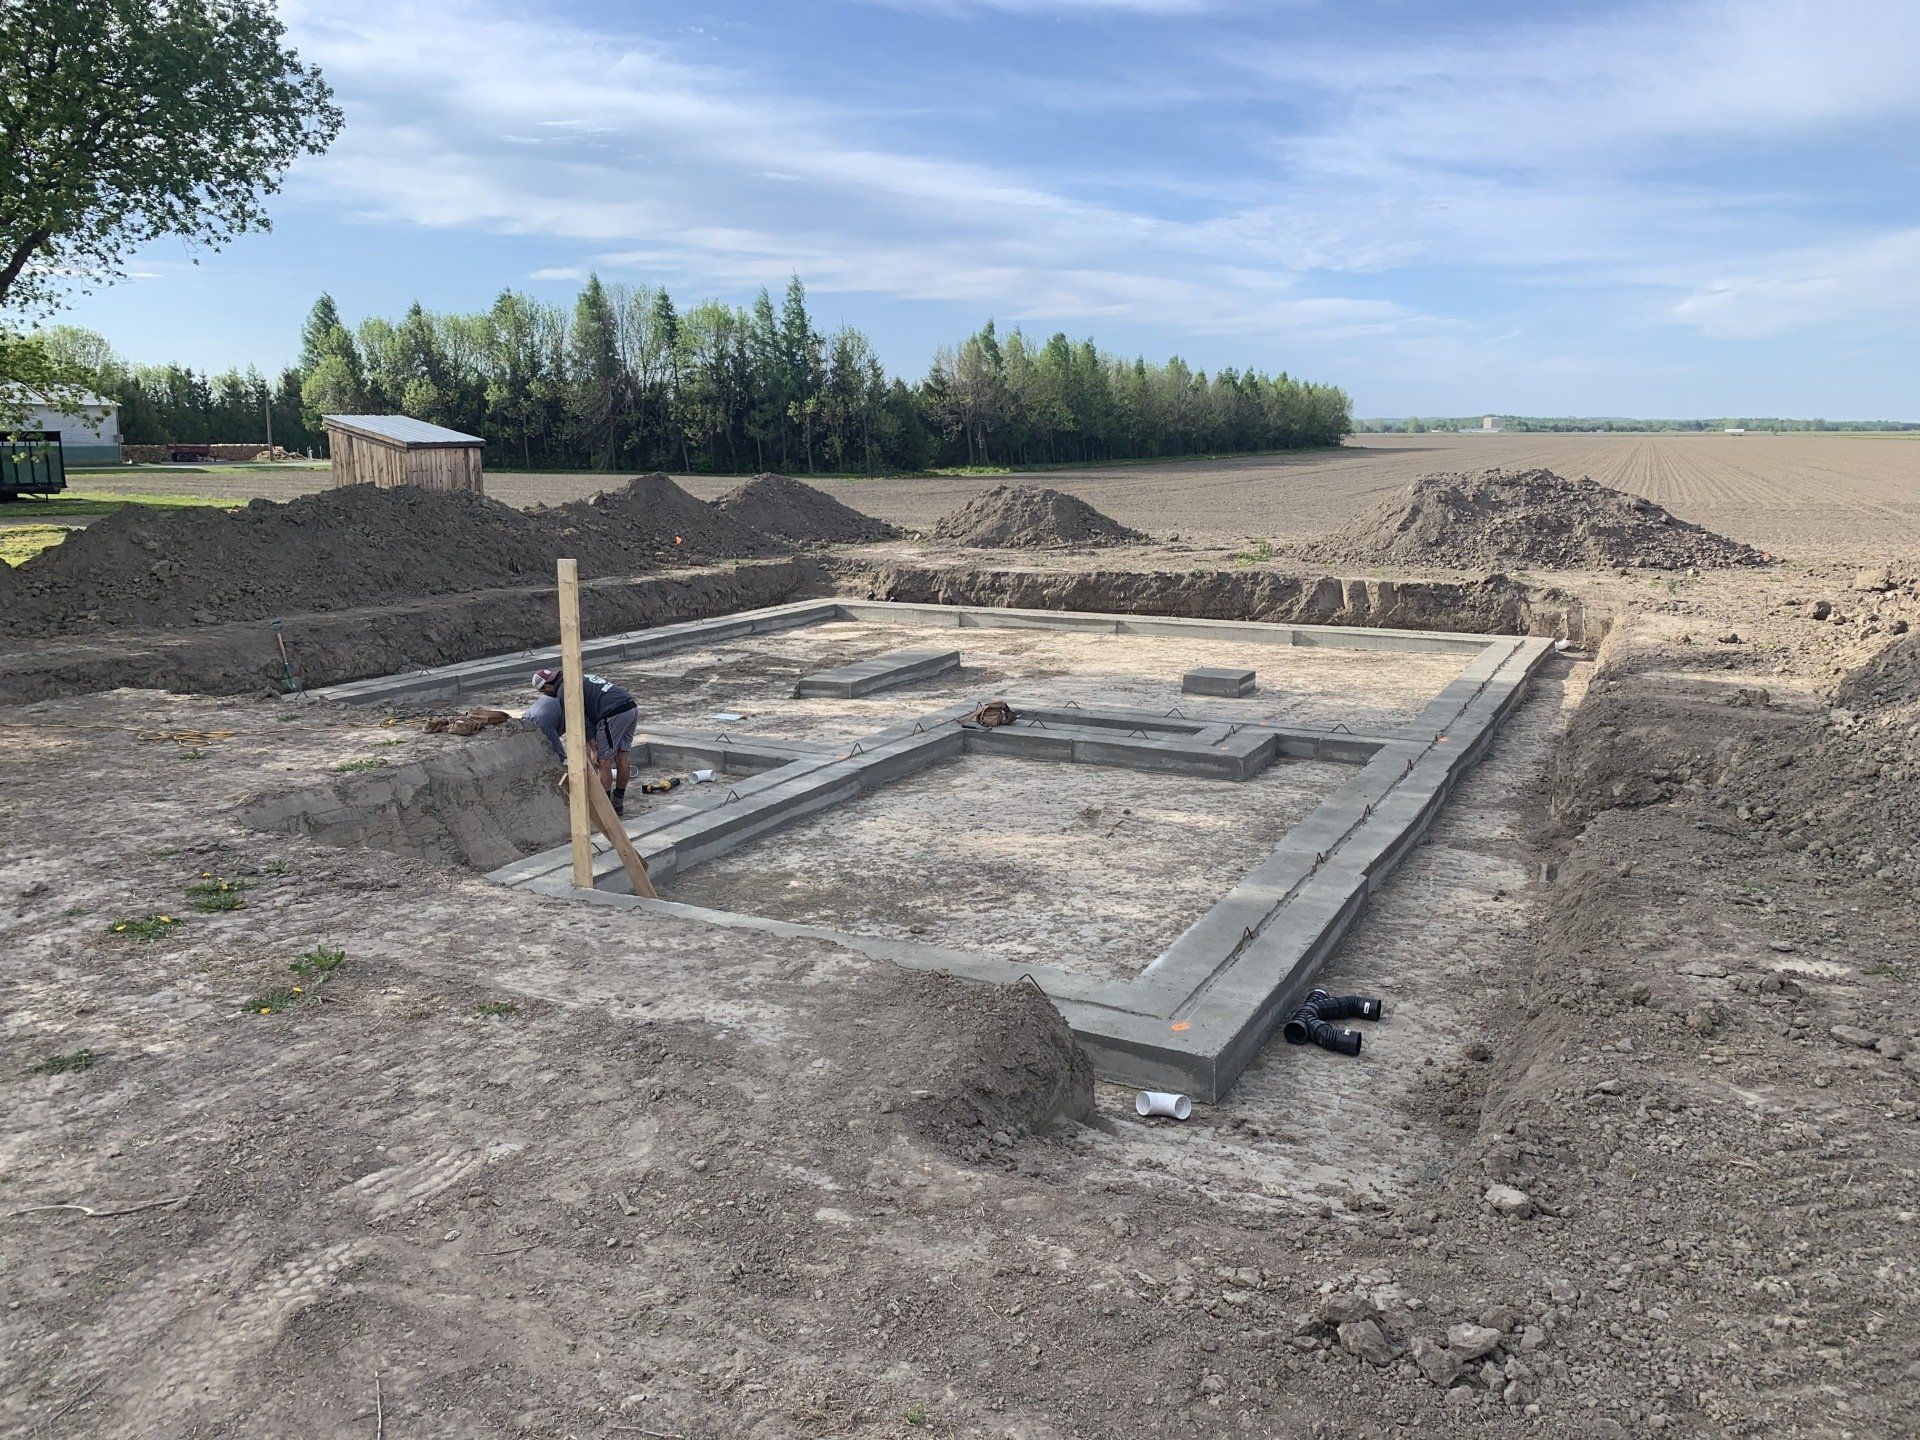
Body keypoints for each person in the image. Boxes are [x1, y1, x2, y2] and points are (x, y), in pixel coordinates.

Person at [524, 666, 638, 815]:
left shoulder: (565, 691)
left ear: (547, 686)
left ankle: (605, 811)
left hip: (612, 713)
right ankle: (618, 802)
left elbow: (582, 718)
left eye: (544, 692)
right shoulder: (575, 676)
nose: (546, 695)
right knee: (622, 757)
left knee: (603, 761)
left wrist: (594, 747)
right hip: (630, 706)